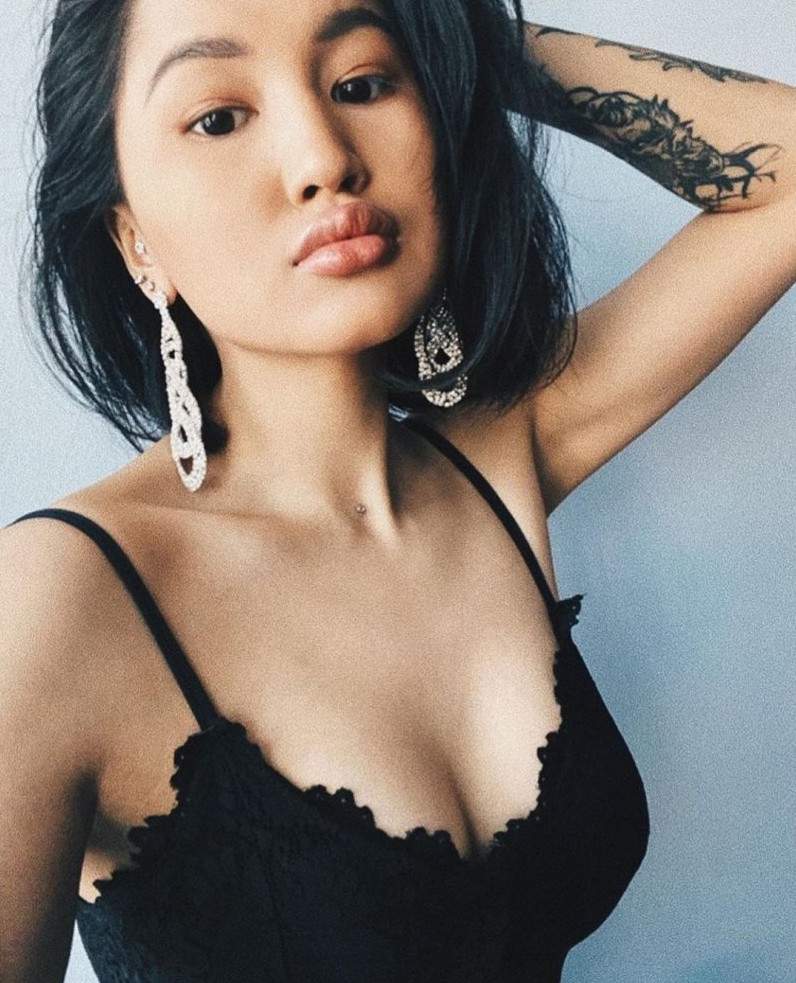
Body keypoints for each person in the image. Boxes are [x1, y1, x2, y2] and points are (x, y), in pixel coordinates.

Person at [1, 0, 793, 981]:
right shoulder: (62, 596)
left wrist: (450, 32)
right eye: (219, 116)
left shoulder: (500, 456)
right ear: (136, 241)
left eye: (362, 83)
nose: (323, 157)